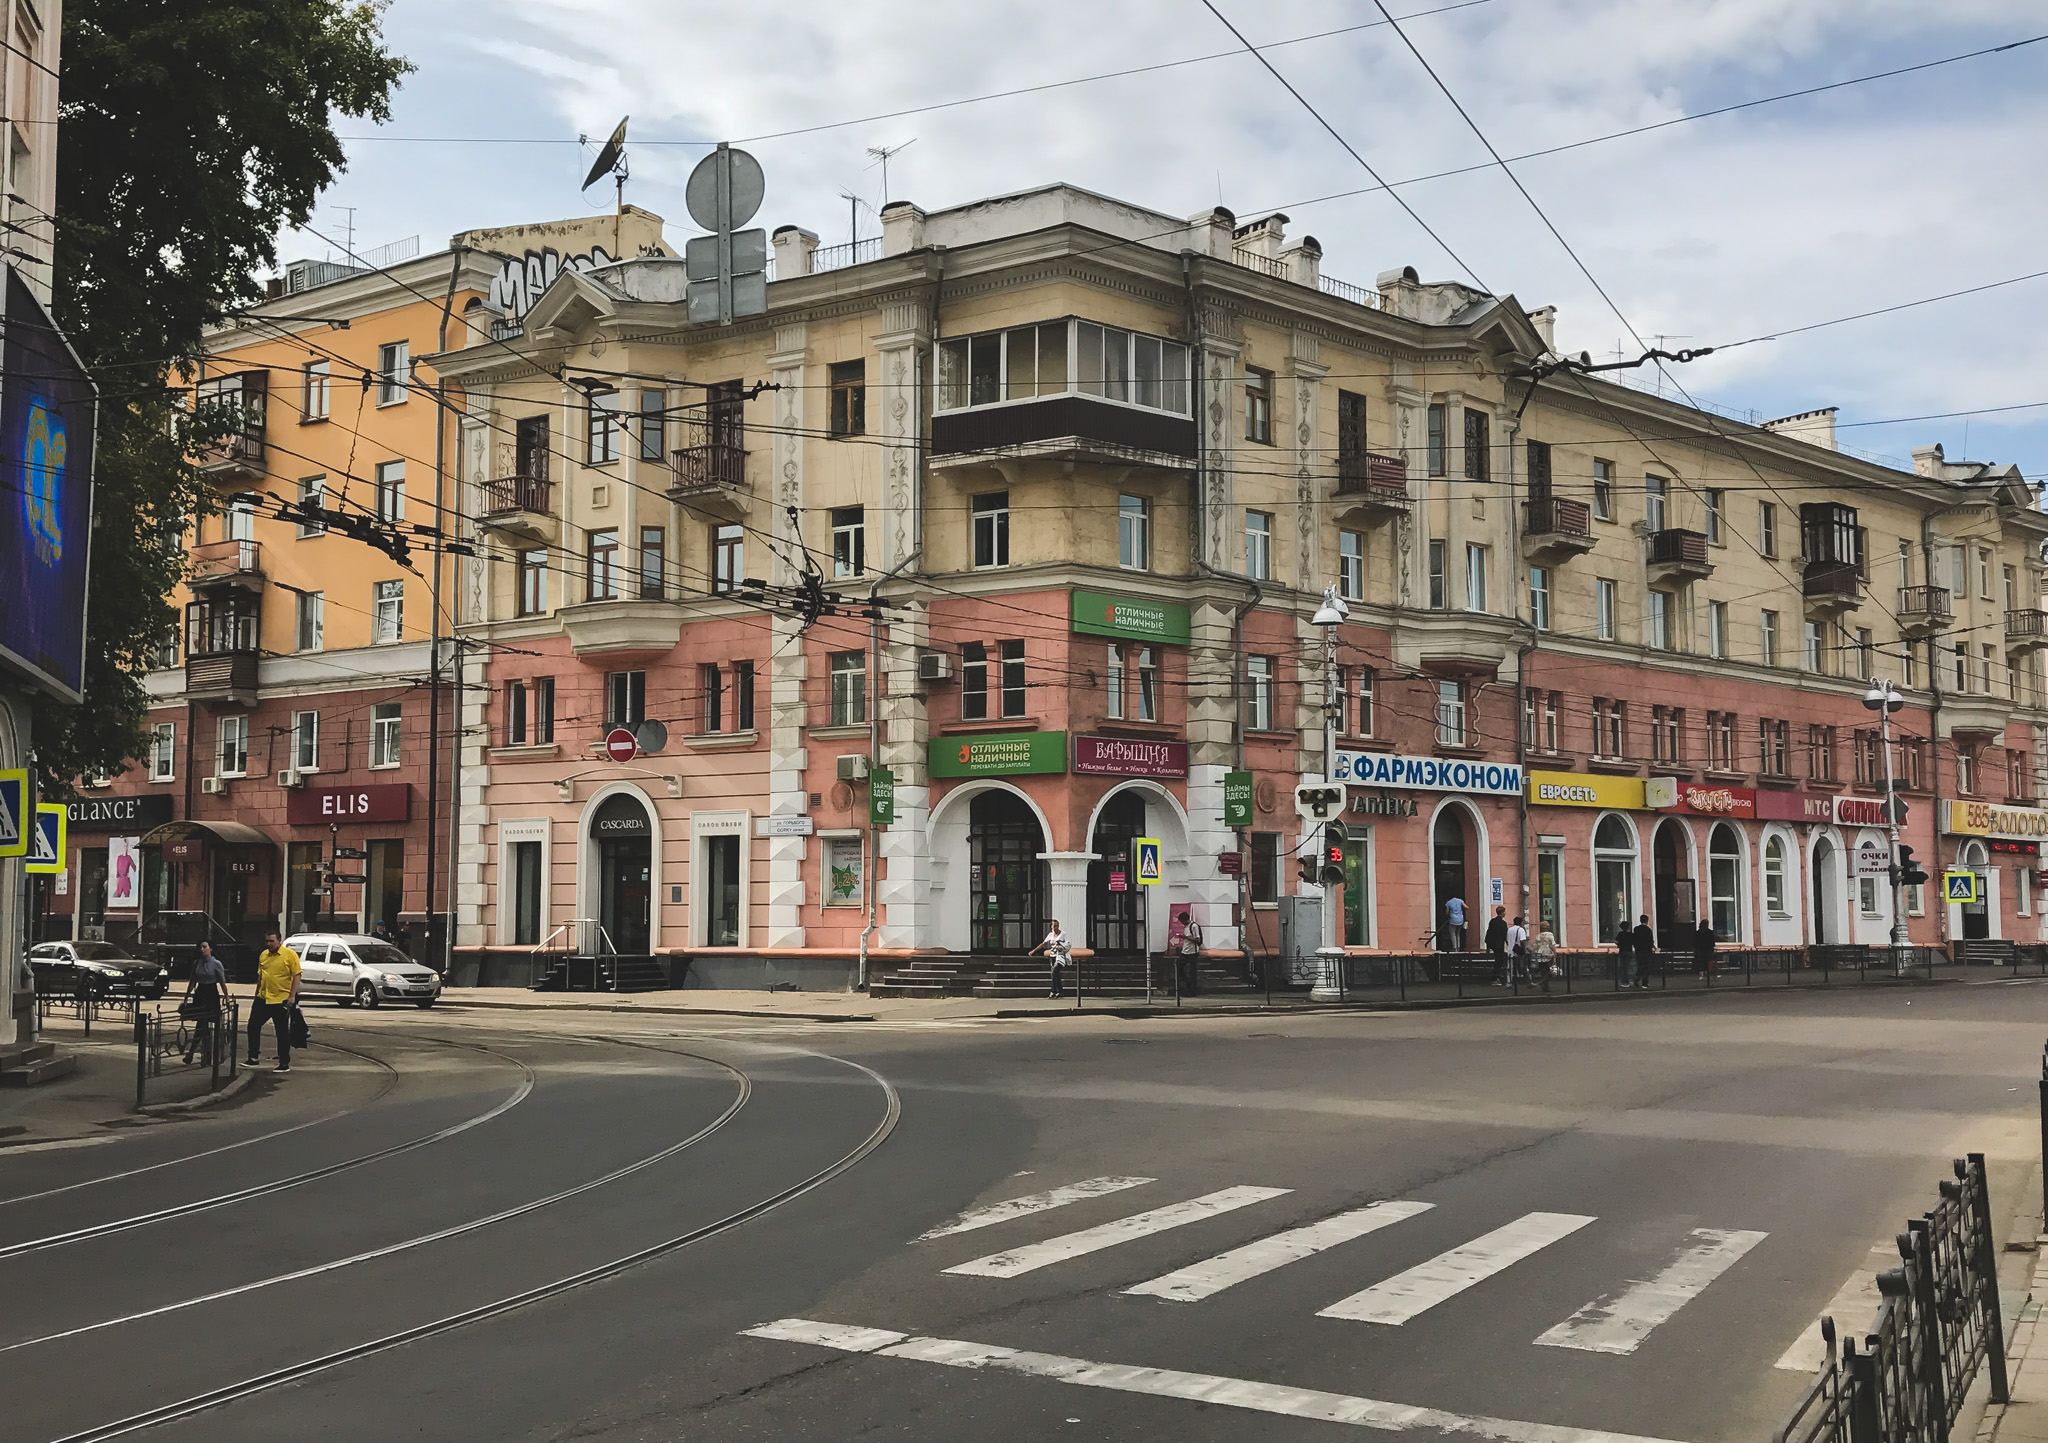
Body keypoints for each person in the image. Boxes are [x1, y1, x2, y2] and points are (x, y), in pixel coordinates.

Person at [248, 930, 301, 1073]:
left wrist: (292, 996)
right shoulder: (263, 955)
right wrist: (257, 994)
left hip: (281, 999)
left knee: (281, 1031)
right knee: (253, 1025)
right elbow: (261, 976)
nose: (268, 944)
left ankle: (284, 1063)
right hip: (263, 998)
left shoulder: (289, 955)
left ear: (279, 940)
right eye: (266, 941)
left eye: (272, 941)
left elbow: (297, 975)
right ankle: (253, 1057)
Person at [181, 939, 226, 1065]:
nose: (202, 950)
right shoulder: (197, 963)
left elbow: (222, 982)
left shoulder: (216, 963)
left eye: (205, 947)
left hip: (211, 994)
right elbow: (192, 981)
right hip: (200, 994)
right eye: (200, 947)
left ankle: (196, 1054)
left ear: (211, 949)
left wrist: (226, 998)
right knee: (202, 1025)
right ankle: (204, 1056)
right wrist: (186, 998)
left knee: (203, 1025)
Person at [1029, 918, 1071, 998]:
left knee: (1054, 971)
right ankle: (1060, 992)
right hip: (1053, 956)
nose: (1056, 928)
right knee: (1056, 974)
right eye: (1054, 926)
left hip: (1061, 956)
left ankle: (1053, 991)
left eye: (1057, 926)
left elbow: (1068, 944)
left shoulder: (1063, 934)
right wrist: (1034, 951)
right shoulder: (1050, 935)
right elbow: (1043, 944)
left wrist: (1061, 947)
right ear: (1051, 927)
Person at [1175, 910, 1204, 997]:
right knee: (1179, 967)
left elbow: (1197, 940)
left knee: (1192, 972)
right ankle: (1187, 983)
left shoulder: (1194, 926)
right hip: (1185, 951)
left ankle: (1192, 991)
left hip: (1192, 952)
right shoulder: (1186, 927)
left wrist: (1185, 937)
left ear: (1185, 920)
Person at [1530, 920, 1558, 995]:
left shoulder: (1538, 936)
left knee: (1543, 971)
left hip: (1540, 955)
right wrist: (1555, 953)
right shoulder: (1550, 935)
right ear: (1547, 927)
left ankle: (1545, 986)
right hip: (1548, 954)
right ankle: (1543, 983)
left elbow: (1535, 947)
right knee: (1549, 971)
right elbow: (1552, 945)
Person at [1485, 906, 1510, 987]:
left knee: (1498, 961)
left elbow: (1489, 933)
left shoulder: (1492, 921)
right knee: (1499, 962)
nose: (1505, 913)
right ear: (1502, 912)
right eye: (1505, 912)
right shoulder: (1503, 923)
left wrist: (1488, 946)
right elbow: (1505, 935)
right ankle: (1495, 978)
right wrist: (1508, 944)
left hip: (1493, 944)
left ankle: (1496, 978)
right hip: (1499, 944)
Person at [1632, 913, 1657, 990]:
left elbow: (1634, 939)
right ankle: (1644, 983)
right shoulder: (1648, 930)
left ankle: (1637, 978)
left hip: (1638, 950)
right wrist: (1654, 947)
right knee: (1646, 967)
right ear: (1647, 921)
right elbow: (1650, 941)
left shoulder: (1636, 929)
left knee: (1640, 965)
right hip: (1647, 950)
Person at [1506, 914, 1529, 988]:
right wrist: (1523, 949)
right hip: (1518, 952)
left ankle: (1509, 982)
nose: (1523, 924)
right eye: (1523, 922)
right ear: (1521, 923)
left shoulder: (1509, 929)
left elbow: (1507, 940)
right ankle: (1527, 981)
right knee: (1523, 966)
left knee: (1510, 968)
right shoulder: (1521, 930)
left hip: (1510, 951)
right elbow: (1522, 941)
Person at [1615, 919, 1635, 990]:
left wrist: (1620, 944)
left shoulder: (1620, 934)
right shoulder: (1631, 934)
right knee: (1628, 966)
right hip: (1629, 951)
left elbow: (1616, 941)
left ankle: (1624, 981)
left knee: (1623, 966)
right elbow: (1634, 942)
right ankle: (1626, 981)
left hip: (1622, 951)